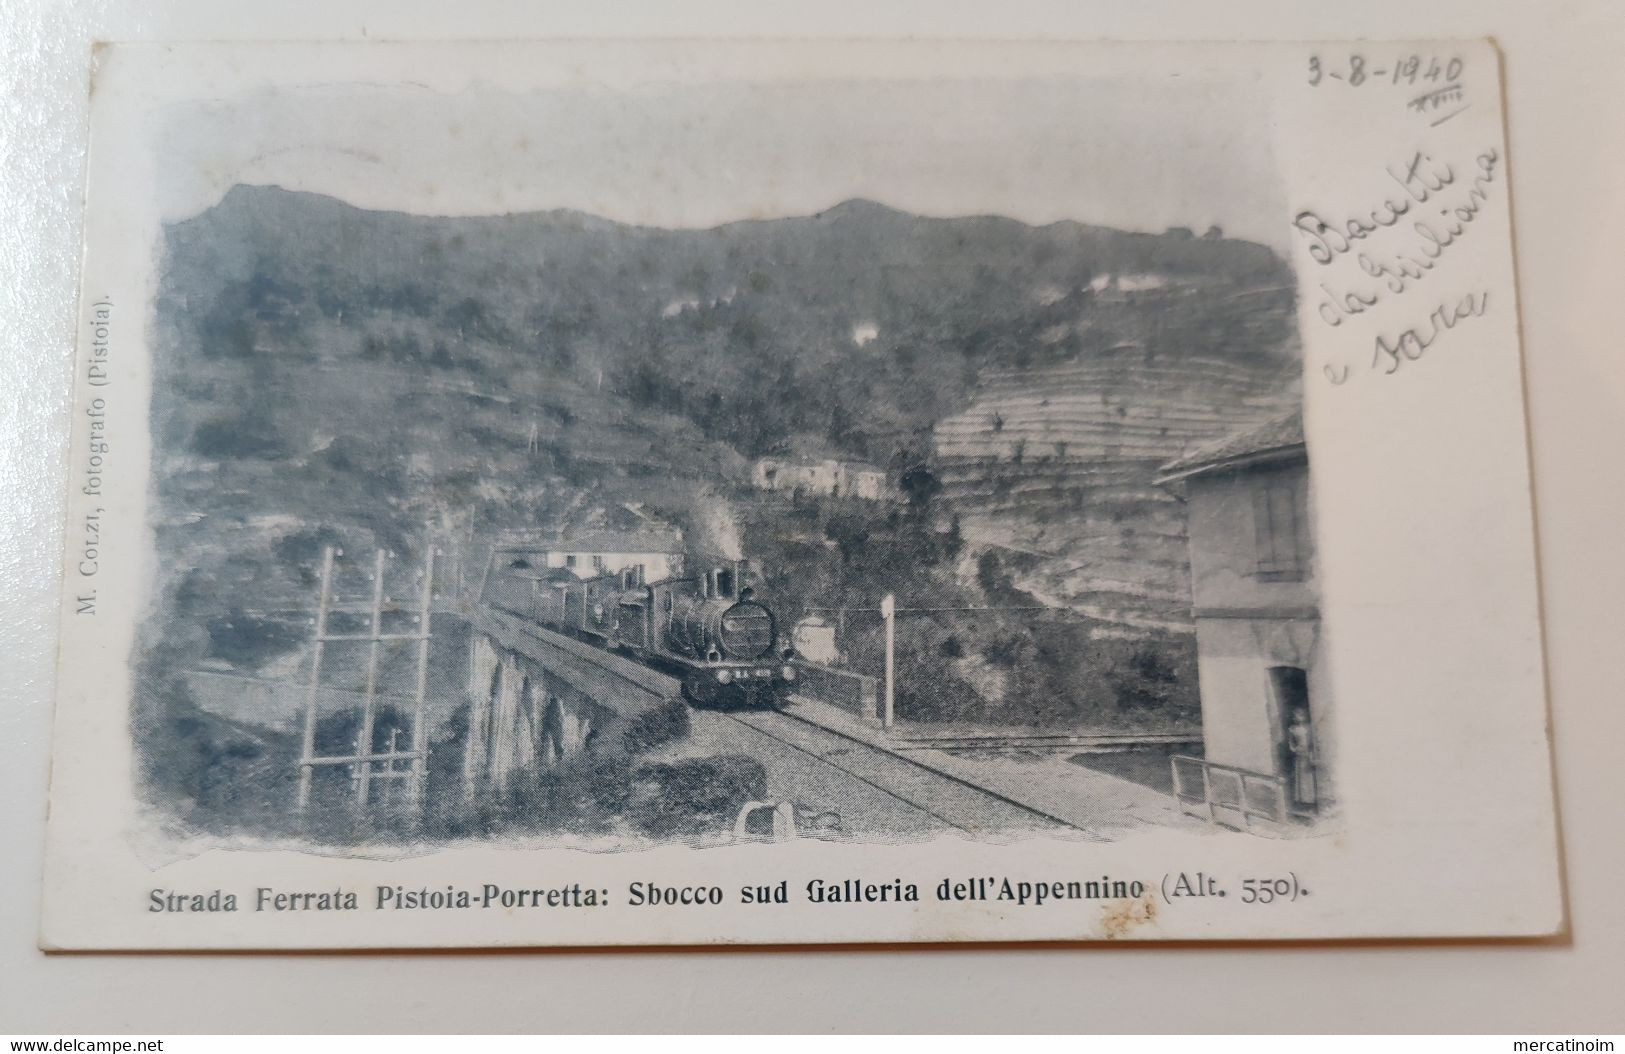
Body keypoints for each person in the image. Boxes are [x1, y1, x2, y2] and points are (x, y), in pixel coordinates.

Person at [1287, 708, 1317, 812]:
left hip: (1307, 755)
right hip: (1299, 756)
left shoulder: (1308, 727)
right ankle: (1302, 802)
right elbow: (1290, 743)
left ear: (1304, 717)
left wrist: (1312, 755)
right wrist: (1294, 749)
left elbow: (1313, 742)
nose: (1298, 718)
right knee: (1300, 778)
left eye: (1301, 716)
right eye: (1296, 716)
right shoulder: (1292, 729)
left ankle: (1311, 802)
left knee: (1309, 778)